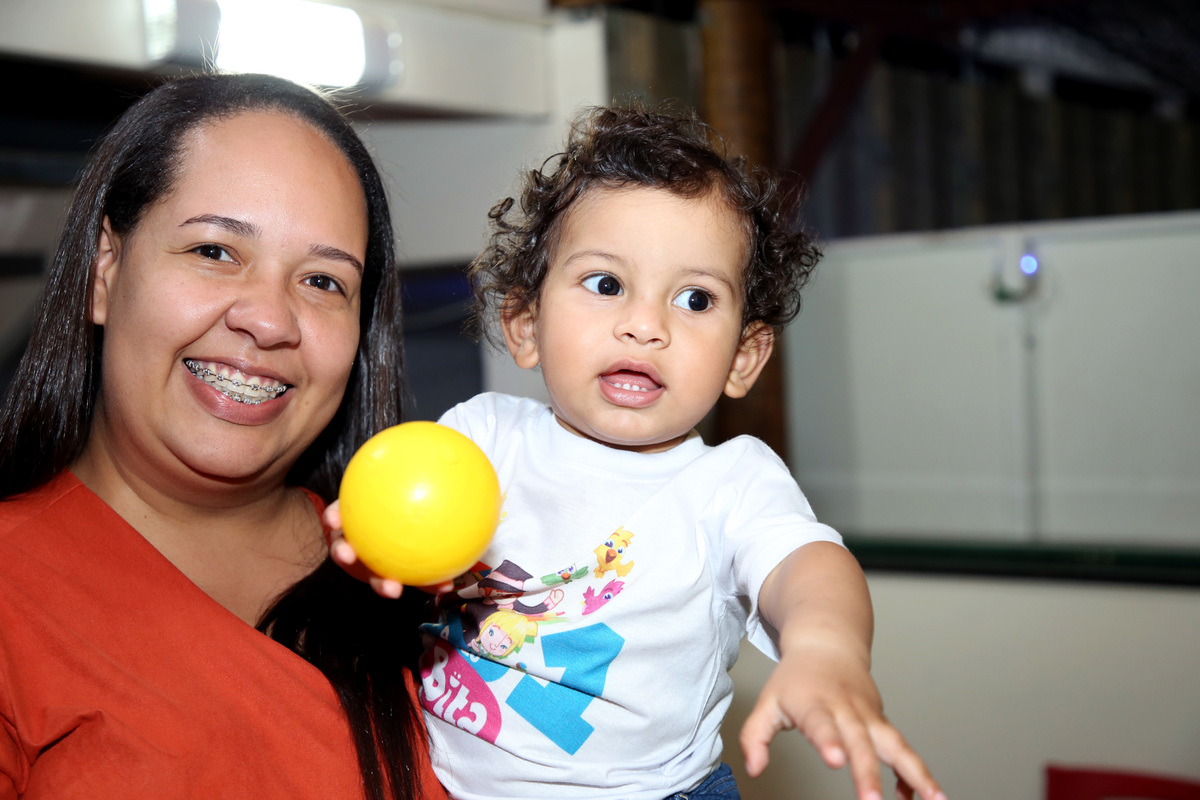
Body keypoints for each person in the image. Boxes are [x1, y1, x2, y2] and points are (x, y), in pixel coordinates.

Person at [329, 106, 946, 800]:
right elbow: (402, 529)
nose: (645, 325)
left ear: (744, 357)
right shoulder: (483, 437)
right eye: (606, 284)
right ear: (526, 323)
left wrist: (826, 649)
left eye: (695, 299)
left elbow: (809, 568)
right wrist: (372, 544)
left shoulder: (729, 483)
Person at [0, 72, 446, 800]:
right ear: (104, 271)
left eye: (323, 281)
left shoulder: (433, 593)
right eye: (214, 251)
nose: (268, 320)